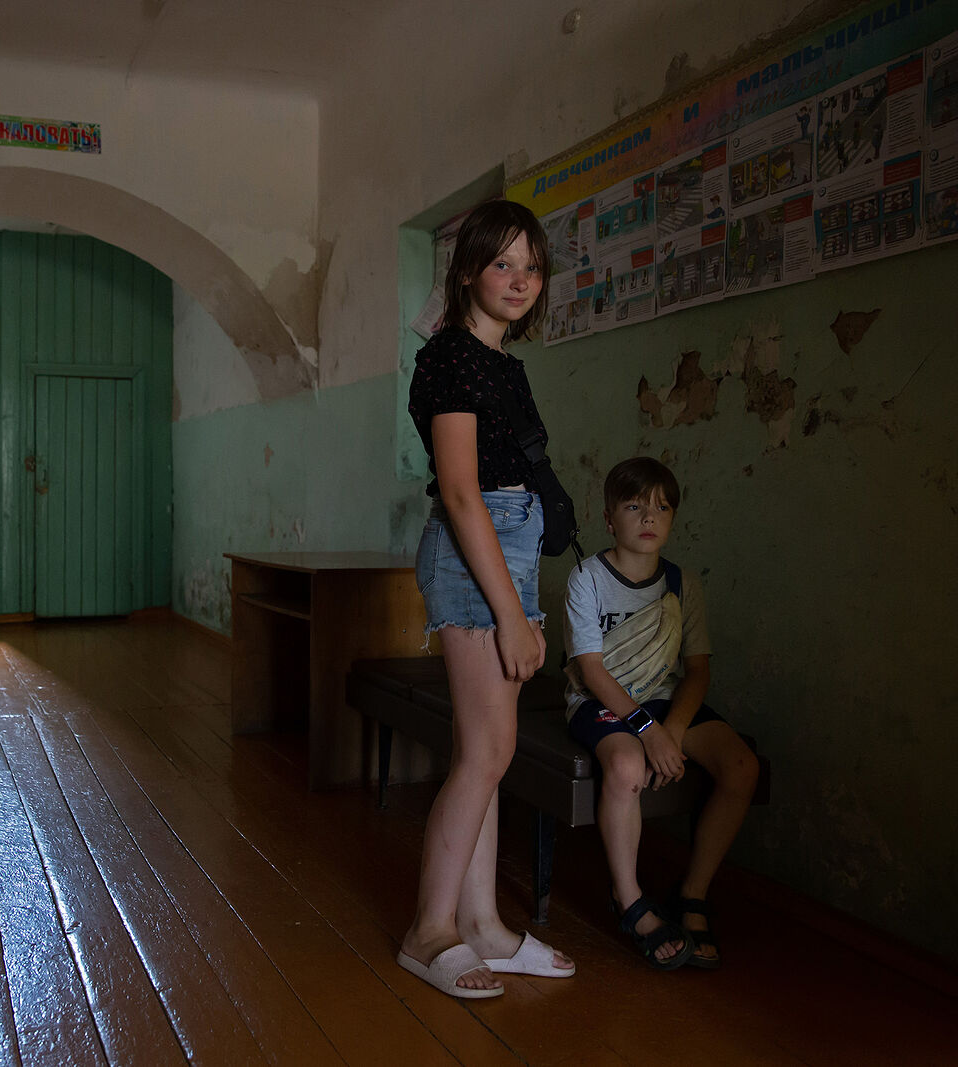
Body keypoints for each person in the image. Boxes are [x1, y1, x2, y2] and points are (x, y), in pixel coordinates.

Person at [399, 199, 576, 999]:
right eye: (502, 262)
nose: (519, 279)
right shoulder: (450, 357)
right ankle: (429, 928)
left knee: (490, 749)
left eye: (531, 266)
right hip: (476, 552)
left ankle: (483, 924)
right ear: (467, 269)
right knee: (484, 752)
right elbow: (463, 491)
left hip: (510, 546)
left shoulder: (502, 363)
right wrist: (510, 613)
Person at [563, 457, 760, 969]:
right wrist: (647, 731)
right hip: (601, 700)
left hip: (663, 700)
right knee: (627, 765)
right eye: (634, 507)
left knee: (742, 766)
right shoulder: (587, 578)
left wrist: (670, 729)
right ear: (610, 519)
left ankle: (692, 892)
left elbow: (697, 671)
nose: (649, 517)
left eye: (662, 507)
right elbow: (591, 670)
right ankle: (629, 899)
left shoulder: (681, 583)